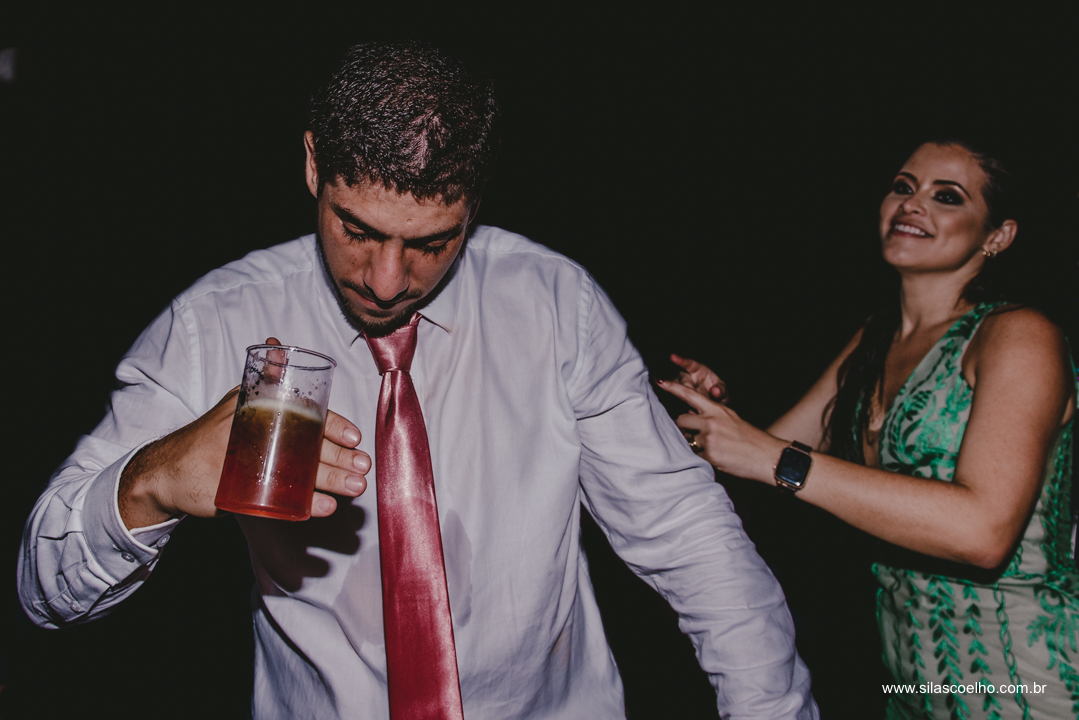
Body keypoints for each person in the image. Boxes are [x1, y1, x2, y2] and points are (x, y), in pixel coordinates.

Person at [18, 42, 817, 719]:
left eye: (432, 242)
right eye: (357, 229)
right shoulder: (216, 323)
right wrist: (151, 482)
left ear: (475, 203)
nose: (387, 280)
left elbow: (686, 534)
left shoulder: (554, 305)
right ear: (312, 164)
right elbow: (43, 592)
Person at [659, 139, 1078, 718]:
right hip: (911, 682)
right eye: (903, 187)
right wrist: (721, 418)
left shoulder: (1018, 335)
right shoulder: (875, 338)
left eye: (947, 196)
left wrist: (771, 457)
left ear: (997, 236)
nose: (912, 203)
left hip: (1028, 682)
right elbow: (766, 461)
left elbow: (984, 533)